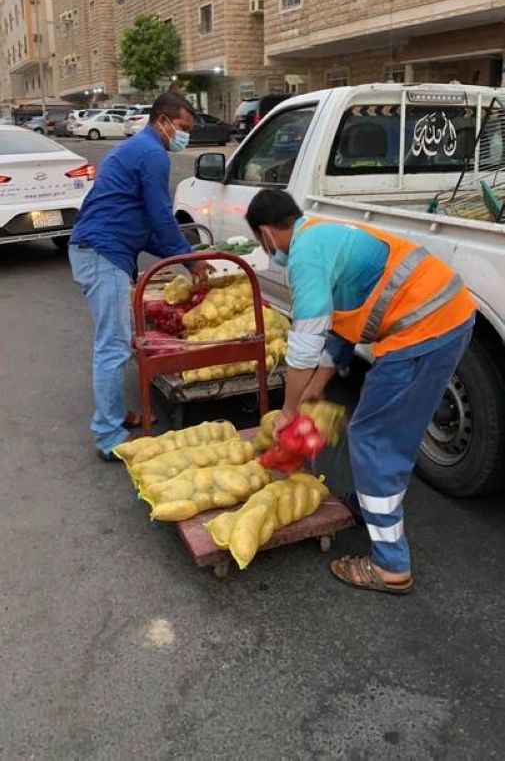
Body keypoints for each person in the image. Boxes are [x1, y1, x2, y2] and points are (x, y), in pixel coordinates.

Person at [245, 188, 476, 595]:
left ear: (265, 234)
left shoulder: (304, 255)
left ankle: (389, 566)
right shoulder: (323, 233)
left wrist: (289, 410)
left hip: (421, 332)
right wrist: (315, 391)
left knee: (372, 436)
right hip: (446, 315)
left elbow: (305, 344)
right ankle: (373, 499)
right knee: (393, 432)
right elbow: (339, 332)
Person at [69, 93, 211, 461]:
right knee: (113, 346)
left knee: (116, 342)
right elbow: (162, 216)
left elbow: (147, 227)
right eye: (182, 128)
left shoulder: (138, 149)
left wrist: (183, 256)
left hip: (102, 249)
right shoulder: (150, 153)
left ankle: (114, 416)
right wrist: (190, 261)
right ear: (162, 121)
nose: (184, 137)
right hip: (103, 252)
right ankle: (108, 437)